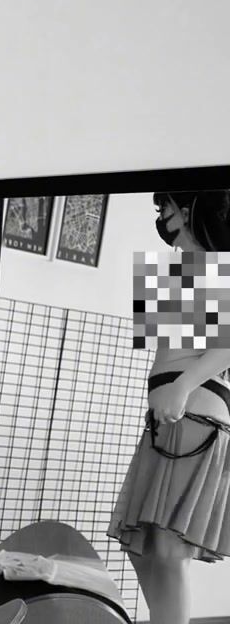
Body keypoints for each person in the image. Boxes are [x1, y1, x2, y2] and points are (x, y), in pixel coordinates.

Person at [107, 190, 230, 624]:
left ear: (188, 209)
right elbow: (169, 347)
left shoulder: (220, 266)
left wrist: (181, 386)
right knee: (142, 546)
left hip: (194, 414)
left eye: (167, 208)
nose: (162, 217)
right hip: (172, 417)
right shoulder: (181, 269)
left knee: (167, 548)